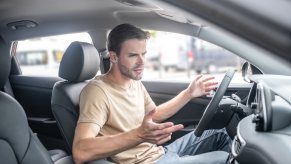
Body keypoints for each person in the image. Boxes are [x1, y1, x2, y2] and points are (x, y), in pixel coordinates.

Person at [72, 23, 232, 164]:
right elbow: (80, 151)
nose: (142, 62)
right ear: (114, 57)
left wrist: (189, 93)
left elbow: (153, 115)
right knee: (224, 159)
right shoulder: (97, 92)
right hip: (145, 162)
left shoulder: (133, 81)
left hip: (160, 153)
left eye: (144, 54)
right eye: (133, 55)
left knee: (221, 135)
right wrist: (139, 135)